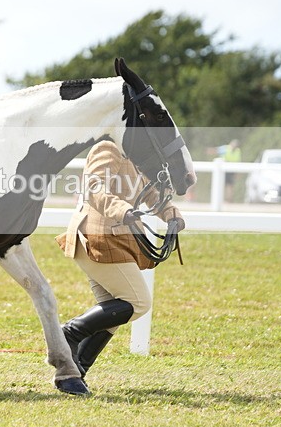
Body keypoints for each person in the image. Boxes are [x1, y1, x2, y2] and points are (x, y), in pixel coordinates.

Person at [55, 140, 185, 384]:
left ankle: (73, 373)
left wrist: (172, 215)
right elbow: (95, 187)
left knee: (112, 310)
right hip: (96, 237)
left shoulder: (135, 155)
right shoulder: (108, 148)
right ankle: (69, 333)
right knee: (137, 302)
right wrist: (122, 210)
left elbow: (151, 193)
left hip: (115, 239)